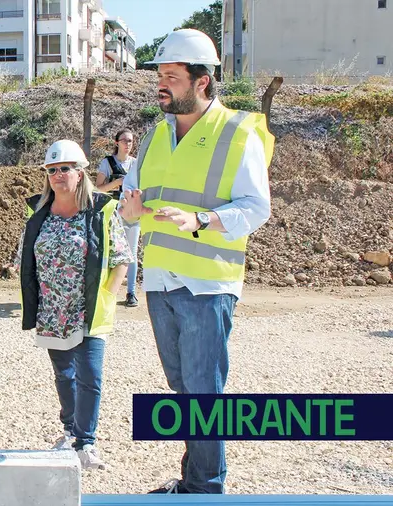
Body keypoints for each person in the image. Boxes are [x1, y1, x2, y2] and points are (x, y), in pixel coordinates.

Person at [120, 29, 274, 494]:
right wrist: (130, 210)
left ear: (202, 81)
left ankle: (206, 488)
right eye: (160, 76)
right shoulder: (154, 136)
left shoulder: (237, 132)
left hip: (208, 284)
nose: (161, 84)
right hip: (161, 281)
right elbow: (136, 199)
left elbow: (256, 207)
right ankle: (194, 481)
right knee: (184, 390)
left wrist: (201, 220)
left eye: (172, 76)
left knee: (204, 394)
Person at [19, 139, 132, 470]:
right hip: (53, 310)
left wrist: (109, 293)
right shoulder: (38, 211)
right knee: (64, 374)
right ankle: (70, 430)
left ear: (80, 173)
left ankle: (86, 441)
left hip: (90, 308)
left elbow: (122, 256)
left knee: (90, 375)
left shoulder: (101, 210)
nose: (57, 175)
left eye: (64, 169)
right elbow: (25, 253)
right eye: (51, 170)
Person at [95, 129, 141, 308]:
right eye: (124, 141)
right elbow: (98, 189)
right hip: (112, 213)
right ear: (117, 143)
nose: (128, 144)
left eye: (130, 141)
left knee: (132, 252)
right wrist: (116, 183)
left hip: (131, 212)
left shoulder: (136, 164)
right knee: (107, 252)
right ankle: (106, 290)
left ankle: (131, 292)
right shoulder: (107, 163)